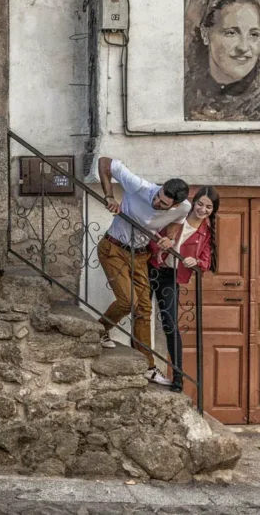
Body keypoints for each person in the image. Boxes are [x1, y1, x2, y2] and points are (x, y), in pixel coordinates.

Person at [96, 156, 191, 386]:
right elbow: (104, 162)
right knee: (128, 301)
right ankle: (99, 330)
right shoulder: (139, 186)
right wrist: (109, 195)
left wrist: (169, 239)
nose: (157, 202)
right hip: (114, 248)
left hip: (140, 256)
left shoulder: (183, 207)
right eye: (158, 197)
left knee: (144, 309)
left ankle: (147, 366)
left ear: (174, 205)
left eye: (163, 203)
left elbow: (178, 221)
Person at [148, 186, 219, 393]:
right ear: (193, 202)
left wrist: (194, 260)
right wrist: (160, 246)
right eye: (200, 204)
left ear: (213, 210)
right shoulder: (177, 215)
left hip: (171, 276)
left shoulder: (206, 231)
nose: (203, 209)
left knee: (170, 325)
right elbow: (153, 235)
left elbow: (205, 263)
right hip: (151, 266)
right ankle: (146, 366)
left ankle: (177, 377)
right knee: (140, 314)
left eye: (209, 207)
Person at [184, 0, 260, 121]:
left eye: (253, 34)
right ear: (205, 35)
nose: (244, 47)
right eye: (231, 33)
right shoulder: (186, 90)